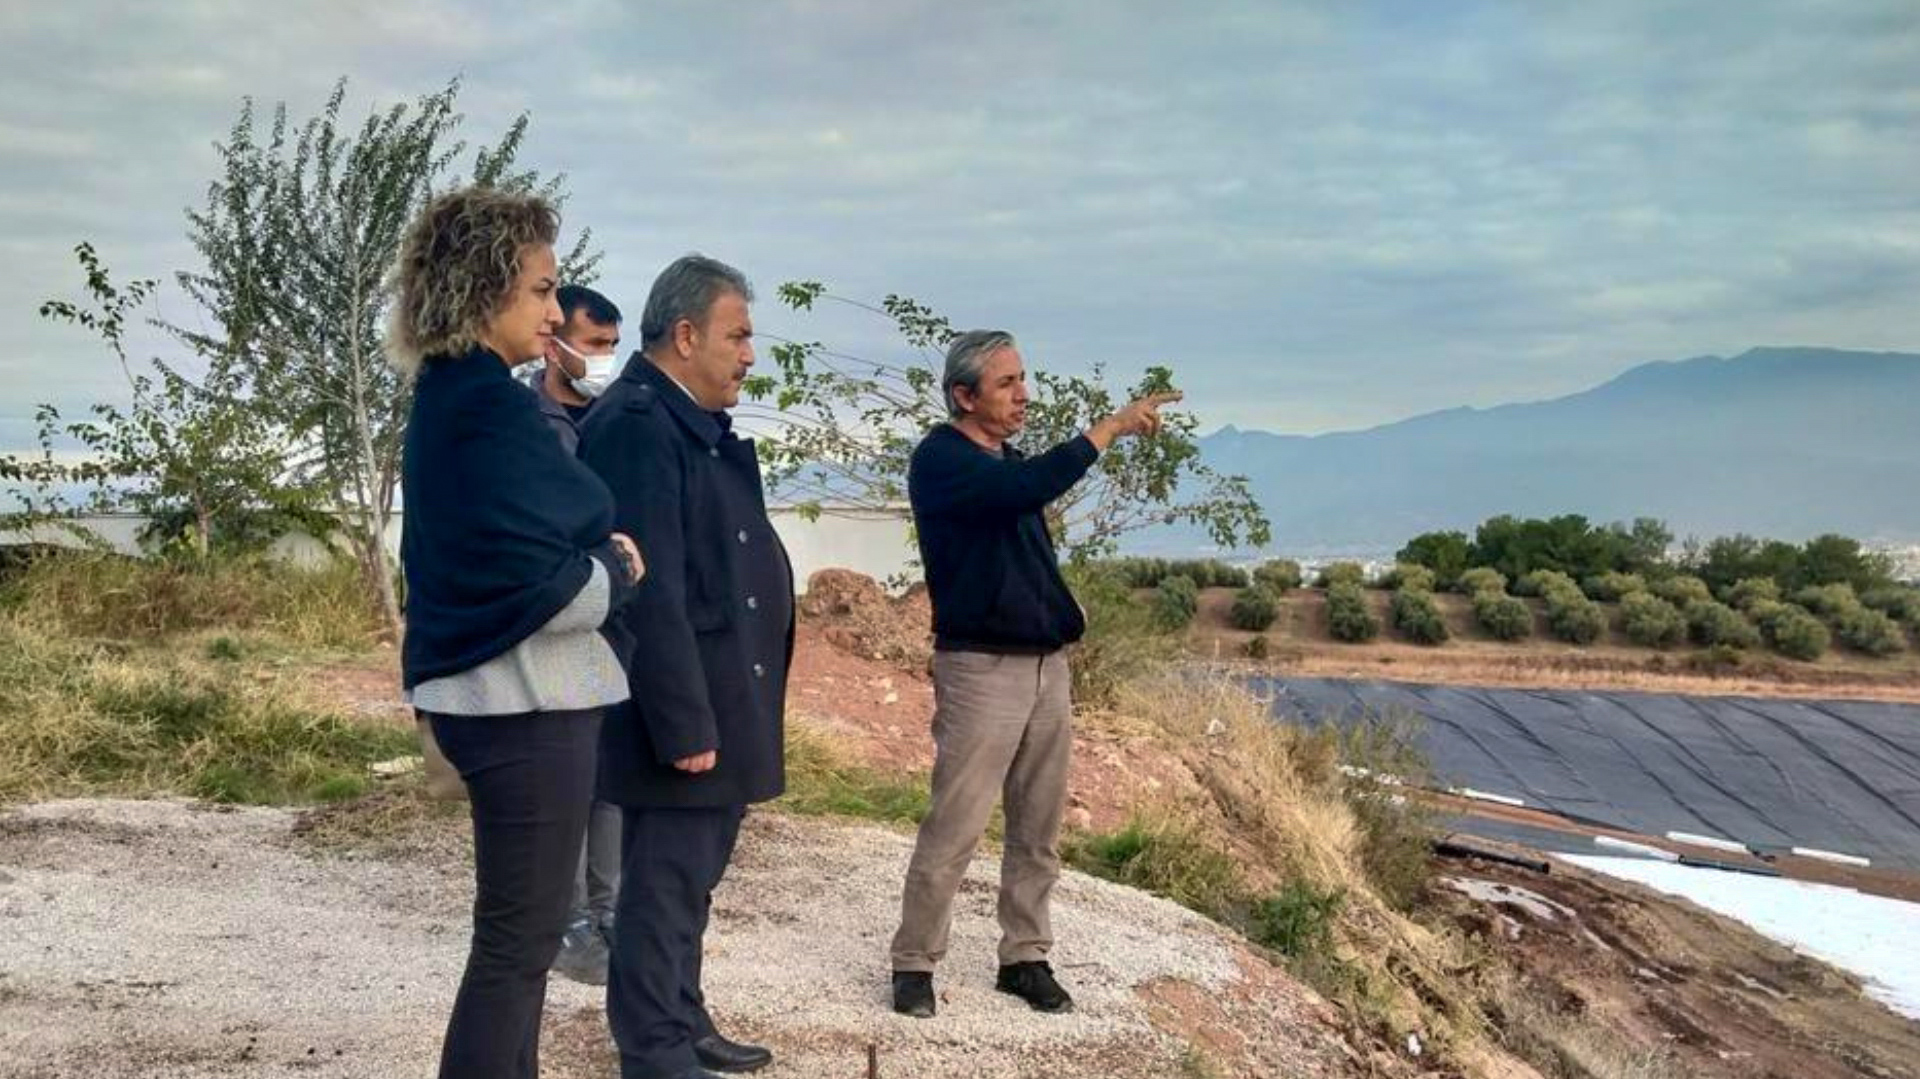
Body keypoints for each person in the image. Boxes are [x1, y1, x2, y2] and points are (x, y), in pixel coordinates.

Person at [390, 186, 645, 1079]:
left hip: (497, 700)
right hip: (521, 706)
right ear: (481, 288)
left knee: (517, 943)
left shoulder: (454, 397)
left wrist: (591, 550)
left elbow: (520, 540)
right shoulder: (488, 409)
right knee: (517, 946)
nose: (552, 310)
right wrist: (611, 574)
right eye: (540, 290)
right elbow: (554, 544)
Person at [887, 330, 1178, 1019]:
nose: (1023, 394)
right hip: (982, 669)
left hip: (1047, 667)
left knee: (1038, 825)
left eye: (1023, 378)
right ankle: (913, 962)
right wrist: (1110, 426)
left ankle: (1024, 955)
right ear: (964, 395)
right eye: (1007, 383)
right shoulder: (943, 459)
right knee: (956, 822)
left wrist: (1061, 606)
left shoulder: (1002, 458)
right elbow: (1025, 487)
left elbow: (1018, 526)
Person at [580, 255, 792, 1079]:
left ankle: (682, 1011)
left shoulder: (684, 423)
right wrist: (685, 723)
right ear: (685, 334)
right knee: (663, 883)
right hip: (683, 705)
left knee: (691, 877)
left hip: (721, 694)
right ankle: (653, 1046)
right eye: (738, 334)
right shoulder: (637, 424)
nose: (748, 353)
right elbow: (649, 589)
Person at [533, 283, 628, 987]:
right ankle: (564, 923)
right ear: (552, 341)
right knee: (564, 777)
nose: (603, 361)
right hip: (559, 620)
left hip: (618, 617)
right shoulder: (528, 425)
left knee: (609, 775)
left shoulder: (615, 421)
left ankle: (611, 910)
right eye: (594, 346)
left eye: (610, 348)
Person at [527, 283, 625, 454]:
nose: (608, 355)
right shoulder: (524, 418)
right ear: (552, 349)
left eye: (613, 344)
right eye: (596, 343)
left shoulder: (624, 417)